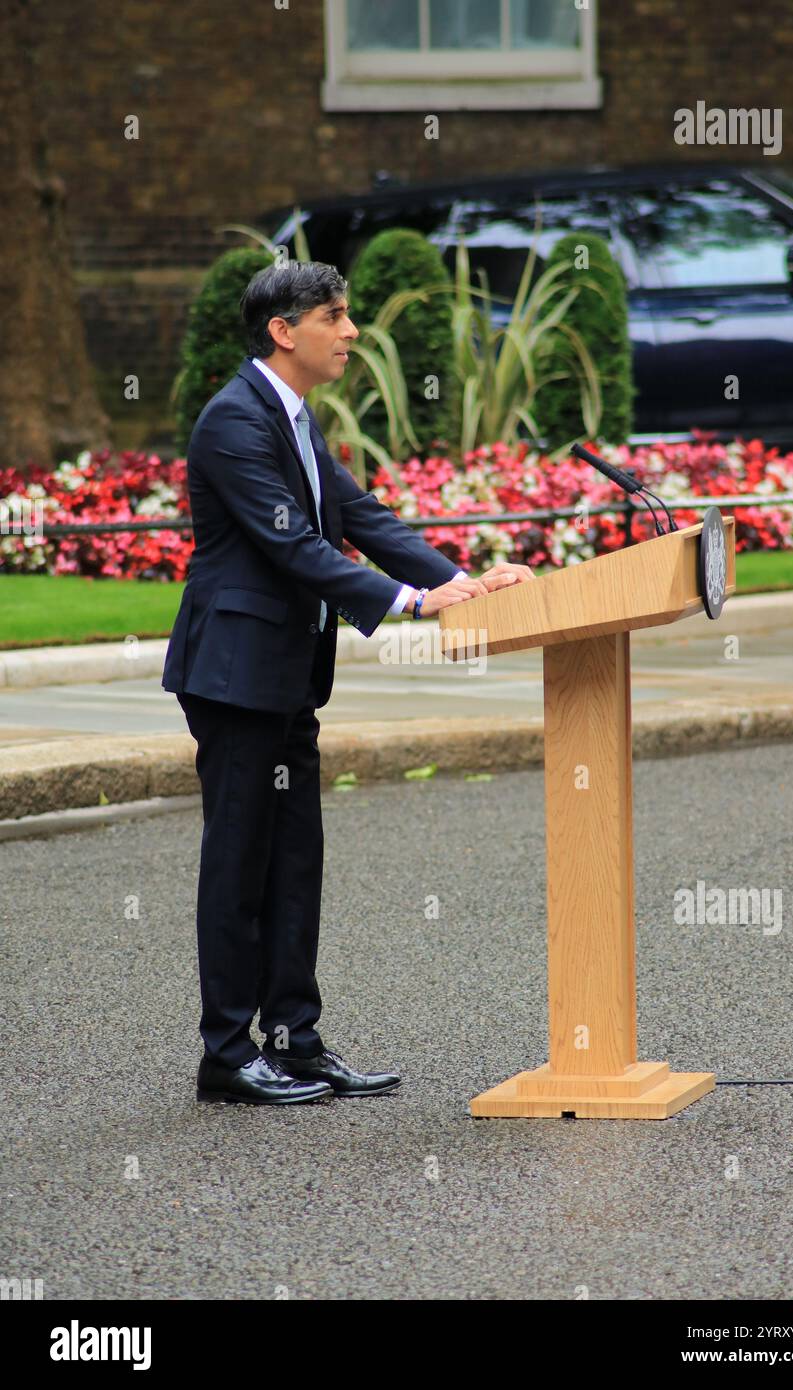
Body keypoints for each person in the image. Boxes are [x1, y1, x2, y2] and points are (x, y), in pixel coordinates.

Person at [162, 259, 533, 1105]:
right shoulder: (234, 422)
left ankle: (295, 1041)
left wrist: (459, 583)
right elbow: (296, 545)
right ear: (284, 332)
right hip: (235, 676)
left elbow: (360, 516)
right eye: (334, 315)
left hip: (288, 677)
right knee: (238, 861)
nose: (352, 330)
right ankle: (226, 1055)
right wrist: (410, 601)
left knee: (295, 862)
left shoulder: (291, 417)